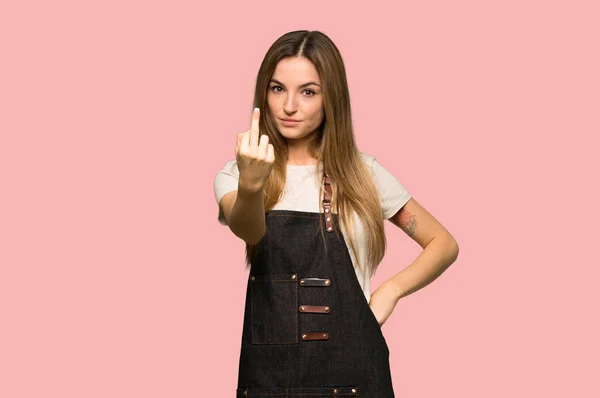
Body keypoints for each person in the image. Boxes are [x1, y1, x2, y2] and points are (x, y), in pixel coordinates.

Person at [213, 30, 459, 398]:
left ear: (332, 99)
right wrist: (252, 183)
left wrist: (390, 291)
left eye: (308, 91)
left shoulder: (364, 174)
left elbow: (443, 243)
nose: (289, 106)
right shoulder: (235, 174)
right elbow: (248, 230)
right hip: (269, 382)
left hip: (355, 377)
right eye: (277, 88)